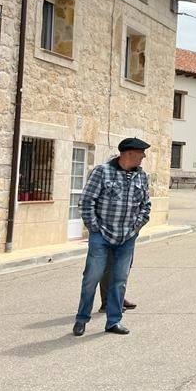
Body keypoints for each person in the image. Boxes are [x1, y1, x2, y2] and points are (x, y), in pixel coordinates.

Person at [73, 137, 152, 337]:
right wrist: (95, 229)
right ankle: (82, 319)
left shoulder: (141, 176)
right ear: (129, 153)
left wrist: (136, 228)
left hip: (127, 238)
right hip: (102, 236)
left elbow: (146, 206)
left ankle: (113, 321)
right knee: (91, 278)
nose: (143, 157)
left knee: (120, 280)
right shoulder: (102, 172)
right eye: (141, 153)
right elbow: (86, 202)